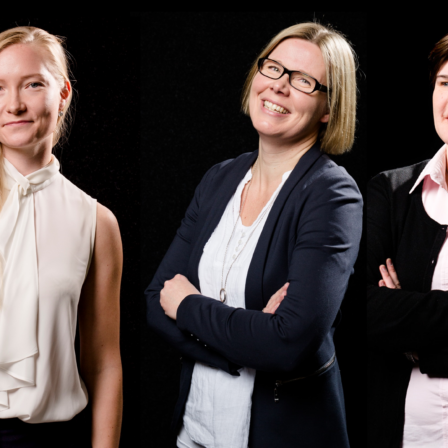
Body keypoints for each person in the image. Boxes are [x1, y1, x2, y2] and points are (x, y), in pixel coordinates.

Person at [145, 22, 362, 448]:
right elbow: (155, 300)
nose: (279, 87)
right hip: (193, 432)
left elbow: (286, 344)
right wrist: (244, 341)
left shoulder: (332, 195)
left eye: (303, 80)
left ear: (328, 109)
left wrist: (187, 305)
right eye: (274, 68)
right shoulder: (220, 177)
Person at [0, 27, 123, 448]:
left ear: (63, 93)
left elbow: (104, 364)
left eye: (32, 84)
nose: (13, 104)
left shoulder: (96, 222)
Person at [367, 32, 448, 448]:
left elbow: (391, 317)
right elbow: (366, 313)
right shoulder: (391, 191)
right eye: (445, 83)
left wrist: (411, 324)